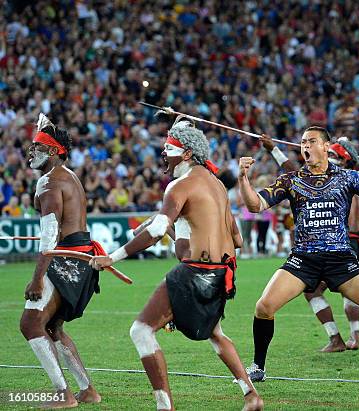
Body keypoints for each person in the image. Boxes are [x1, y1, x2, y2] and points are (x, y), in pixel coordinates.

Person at [90, 119, 263, 411]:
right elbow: (237, 240)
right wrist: (175, 228)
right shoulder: (218, 186)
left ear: (185, 154)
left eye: (169, 149)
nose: (163, 155)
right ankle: (251, 395)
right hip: (222, 275)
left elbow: (158, 232)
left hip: (196, 273)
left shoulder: (179, 185)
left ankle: (164, 407)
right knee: (215, 333)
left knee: (141, 331)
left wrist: (112, 257)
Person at [238, 125, 359, 381]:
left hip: (340, 259)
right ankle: (258, 368)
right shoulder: (291, 179)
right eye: (303, 142)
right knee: (264, 307)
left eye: (311, 141)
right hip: (303, 259)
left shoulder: (348, 177)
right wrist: (242, 179)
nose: (306, 146)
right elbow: (255, 204)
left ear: (326, 146)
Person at [20, 113, 102, 408]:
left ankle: (63, 395)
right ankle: (87, 390)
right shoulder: (69, 176)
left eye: (36, 146)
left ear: (53, 151)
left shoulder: (48, 182)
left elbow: (49, 236)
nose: (30, 151)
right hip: (80, 256)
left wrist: (37, 278)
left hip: (66, 258)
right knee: (52, 326)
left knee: (30, 323)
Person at [260, 134, 359, 351]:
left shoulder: (349, 174)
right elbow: (295, 173)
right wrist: (274, 149)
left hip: (345, 240)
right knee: (330, 290)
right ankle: (348, 337)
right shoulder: (337, 173)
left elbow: (294, 172)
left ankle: (344, 337)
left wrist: (274, 150)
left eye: (335, 153)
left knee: (330, 290)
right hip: (347, 240)